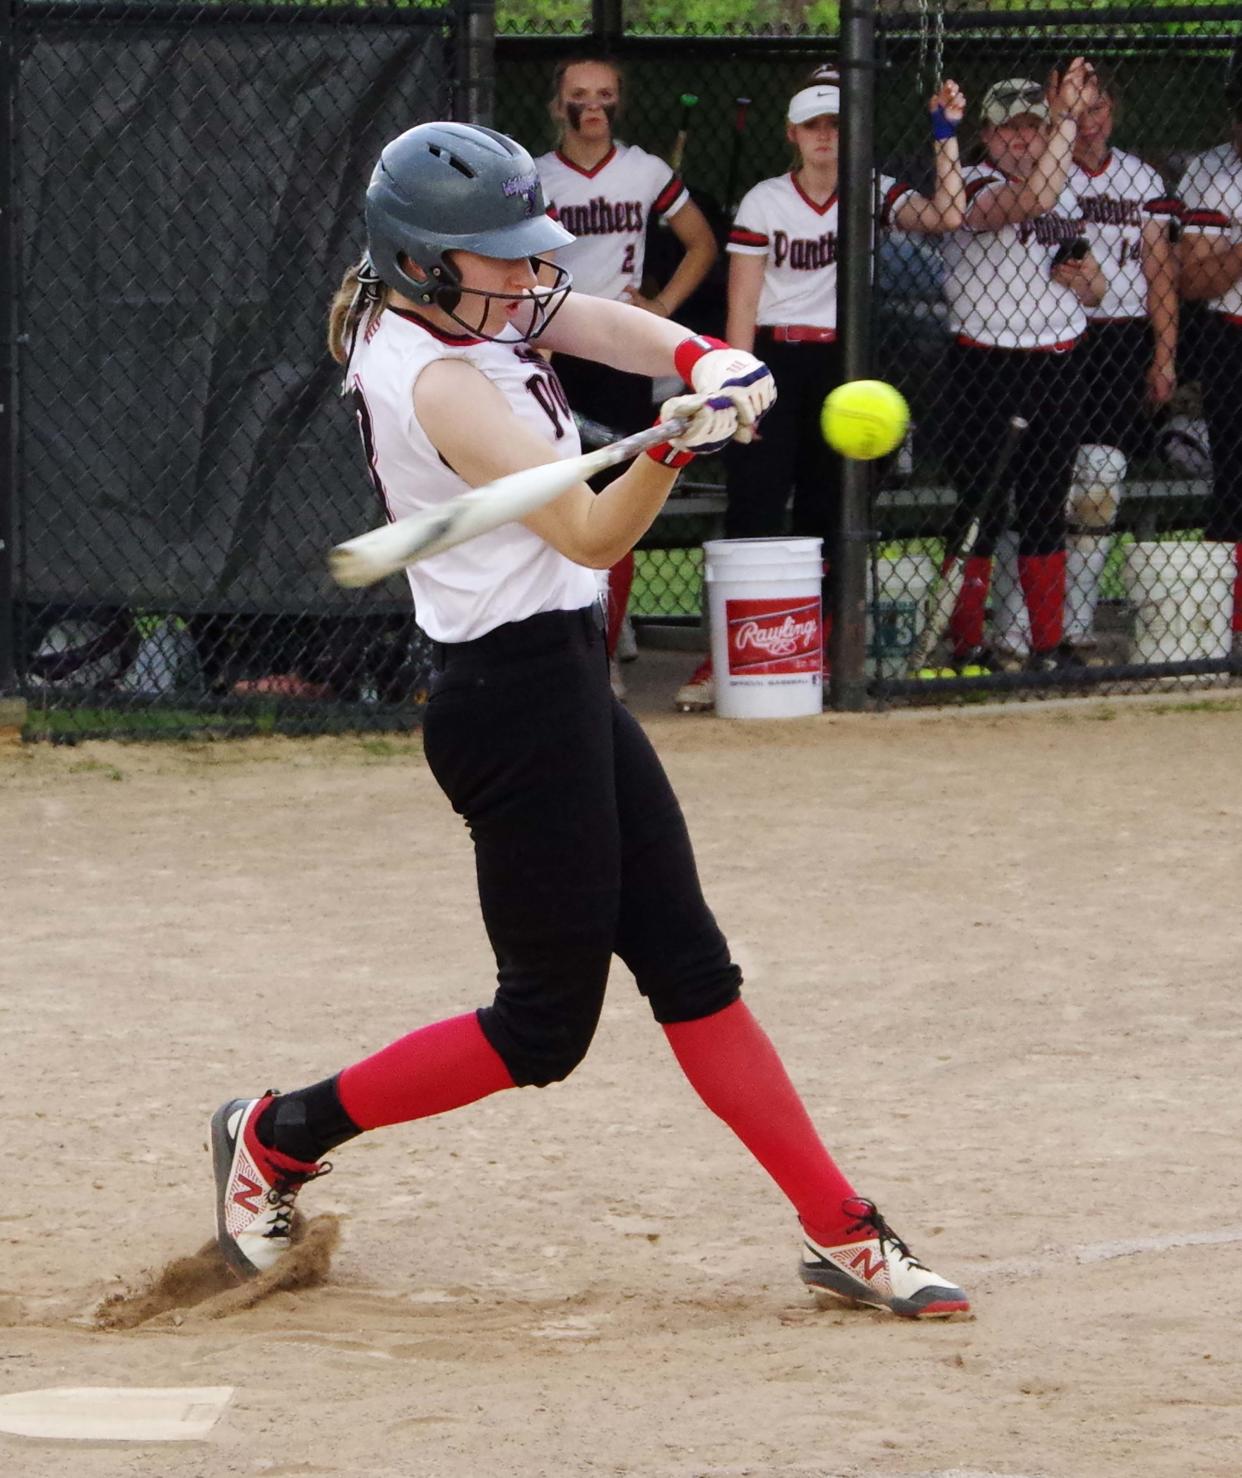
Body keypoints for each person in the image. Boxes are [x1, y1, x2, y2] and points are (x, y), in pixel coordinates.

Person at [209, 121, 969, 1321]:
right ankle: (275, 1131)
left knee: (690, 966)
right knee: (542, 1026)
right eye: (499, 258)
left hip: (563, 676)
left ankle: (843, 1227)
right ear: (420, 262)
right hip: (508, 705)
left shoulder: (472, 309)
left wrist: (704, 357)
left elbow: (599, 316)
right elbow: (590, 534)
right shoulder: (441, 379)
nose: (528, 278)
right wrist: (675, 448)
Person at [674, 68, 969, 713]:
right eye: (813, 126)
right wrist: (735, 384)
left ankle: (824, 649)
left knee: (828, 506)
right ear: (792, 134)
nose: (826, 138)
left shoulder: (871, 189)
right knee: (754, 503)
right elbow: (743, 301)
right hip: (777, 359)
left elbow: (948, 214)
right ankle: (728, 653)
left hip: (846, 361)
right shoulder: (764, 201)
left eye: (836, 125)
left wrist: (944, 135)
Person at [535, 56, 718, 701]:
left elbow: (701, 242)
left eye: (606, 95)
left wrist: (662, 308)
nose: (594, 106)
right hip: (552, 353)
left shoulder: (645, 171)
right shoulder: (534, 176)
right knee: (552, 499)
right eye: (580, 95)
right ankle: (563, 645)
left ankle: (605, 652)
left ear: (620, 103)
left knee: (617, 502)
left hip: (621, 353)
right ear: (558, 105)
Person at [989, 61, 1182, 662]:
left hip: (1118, 339)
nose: (1091, 122)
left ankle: (1073, 623)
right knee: (1037, 488)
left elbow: (1160, 273)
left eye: (1099, 109)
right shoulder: (1042, 172)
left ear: (1113, 113)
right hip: (1046, 337)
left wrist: (1164, 355)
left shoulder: (1141, 178)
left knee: (1100, 481)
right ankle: (1013, 629)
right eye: (1078, 109)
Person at [937, 61, 1108, 672]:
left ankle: (1045, 643)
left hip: (1057, 361)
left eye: (1034, 128)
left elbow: (1095, 292)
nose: (1023, 139)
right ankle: (964, 642)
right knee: (979, 506)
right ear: (987, 134)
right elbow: (1027, 199)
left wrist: (1091, 283)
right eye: (1010, 129)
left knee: (1046, 507)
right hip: (985, 361)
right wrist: (1067, 117)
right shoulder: (971, 183)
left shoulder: (1070, 189)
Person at [1176, 80, 1242, 654]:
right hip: (1234, 335)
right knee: (1236, 486)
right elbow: (1195, 279)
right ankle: (1232, 631)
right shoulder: (1210, 173)